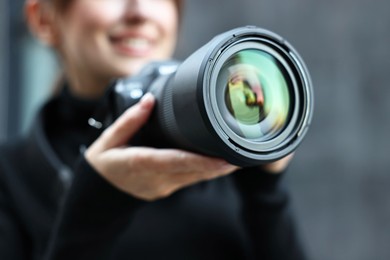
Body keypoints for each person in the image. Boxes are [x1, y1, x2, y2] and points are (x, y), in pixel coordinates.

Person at [0, 0, 307, 259]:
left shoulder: (230, 142)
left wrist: (266, 189)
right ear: (43, 20)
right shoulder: (10, 178)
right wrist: (94, 207)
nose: (141, 11)